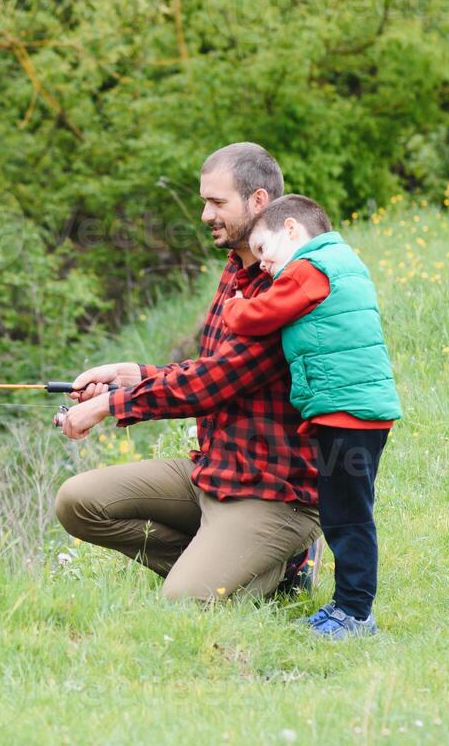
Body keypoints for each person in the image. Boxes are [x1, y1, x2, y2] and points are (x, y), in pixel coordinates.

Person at [53, 142, 322, 603]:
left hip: (273, 492)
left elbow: (214, 382)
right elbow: (209, 368)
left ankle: (281, 563)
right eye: (204, 201)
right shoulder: (237, 266)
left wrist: (108, 405)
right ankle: (237, 567)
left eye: (217, 202)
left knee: (183, 602)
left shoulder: (286, 286)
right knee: (77, 502)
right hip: (216, 473)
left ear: (259, 201)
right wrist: (132, 375)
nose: (204, 215)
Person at [221, 194, 400, 639]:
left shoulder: (309, 268)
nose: (262, 265)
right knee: (345, 509)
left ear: (292, 231)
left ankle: (355, 614)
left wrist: (233, 305)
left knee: (347, 515)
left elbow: (263, 315)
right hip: (353, 412)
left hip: (347, 415)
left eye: (263, 251)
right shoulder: (339, 261)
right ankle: (344, 605)